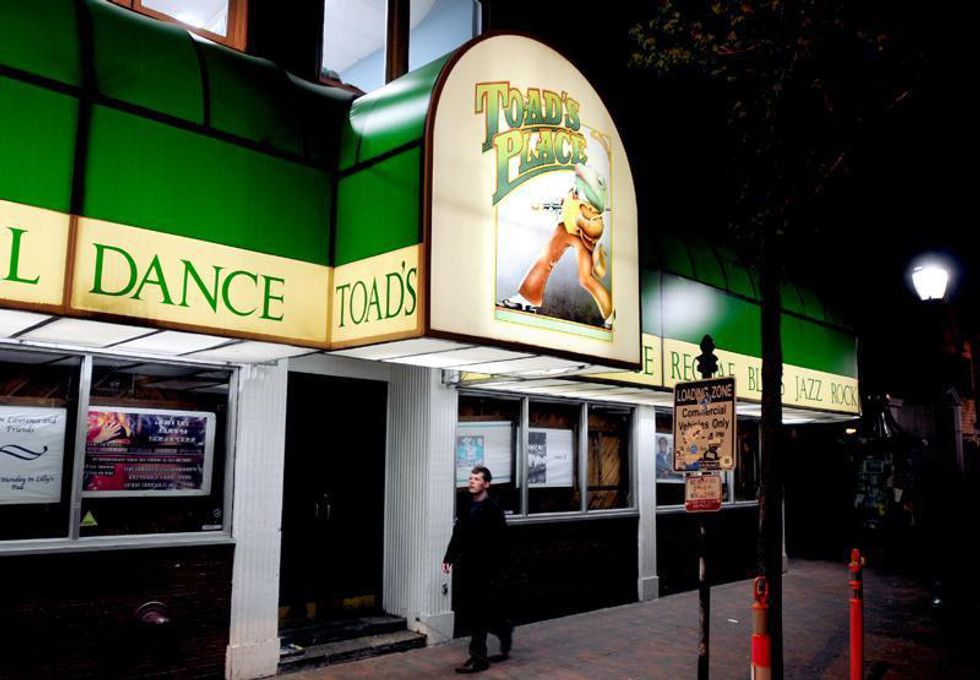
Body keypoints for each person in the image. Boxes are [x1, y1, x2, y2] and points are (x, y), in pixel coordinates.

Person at [498, 163, 614, 329]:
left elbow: (594, 228)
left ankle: (610, 316)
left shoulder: (592, 212)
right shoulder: (572, 195)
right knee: (546, 258)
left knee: (586, 278)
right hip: (565, 228)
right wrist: (547, 206)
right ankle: (527, 298)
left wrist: (584, 222)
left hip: (581, 235)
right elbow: (562, 205)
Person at [442, 466, 513, 674]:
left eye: (476, 479)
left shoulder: (493, 509)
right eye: (470, 478)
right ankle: (503, 628)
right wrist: (449, 556)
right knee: (477, 610)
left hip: (486, 569)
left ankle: (479, 657)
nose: (471, 482)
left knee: (478, 612)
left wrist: (498, 571)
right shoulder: (466, 505)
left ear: (486, 484)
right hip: (468, 566)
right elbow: (458, 532)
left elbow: (502, 541)